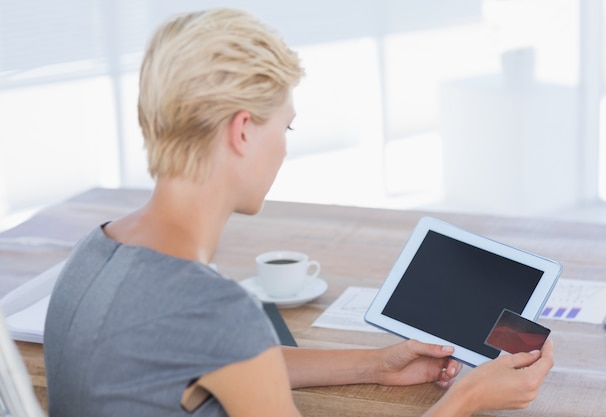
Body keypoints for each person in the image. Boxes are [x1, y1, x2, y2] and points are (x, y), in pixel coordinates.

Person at [43, 8, 554, 417]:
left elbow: (214, 356)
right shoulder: (212, 308)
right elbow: (217, 337)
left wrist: (376, 365)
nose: (285, 150)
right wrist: (466, 400)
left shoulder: (96, 250)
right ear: (242, 130)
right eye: (284, 129)